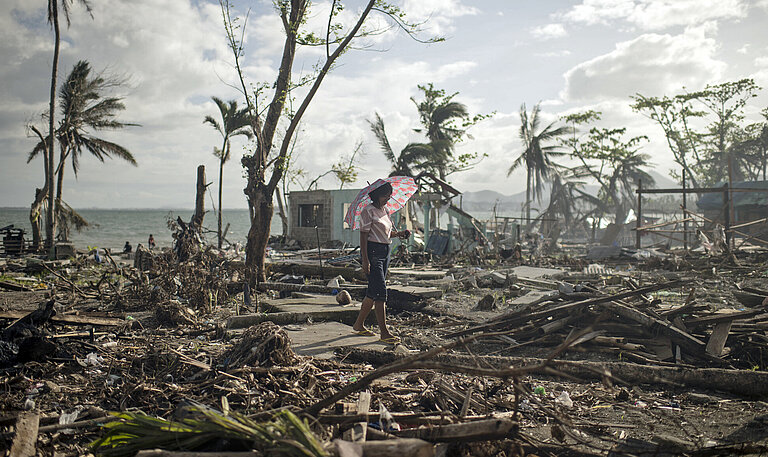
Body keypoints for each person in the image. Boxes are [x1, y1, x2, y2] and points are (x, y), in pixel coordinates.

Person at [351, 182, 409, 344]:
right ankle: (384, 332)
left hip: (385, 252)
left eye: (389, 196)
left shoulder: (385, 211)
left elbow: (387, 233)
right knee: (381, 293)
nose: (387, 199)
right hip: (373, 252)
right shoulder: (367, 211)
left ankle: (358, 324)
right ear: (376, 195)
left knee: (373, 291)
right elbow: (363, 237)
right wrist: (365, 260)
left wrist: (401, 234)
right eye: (385, 195)